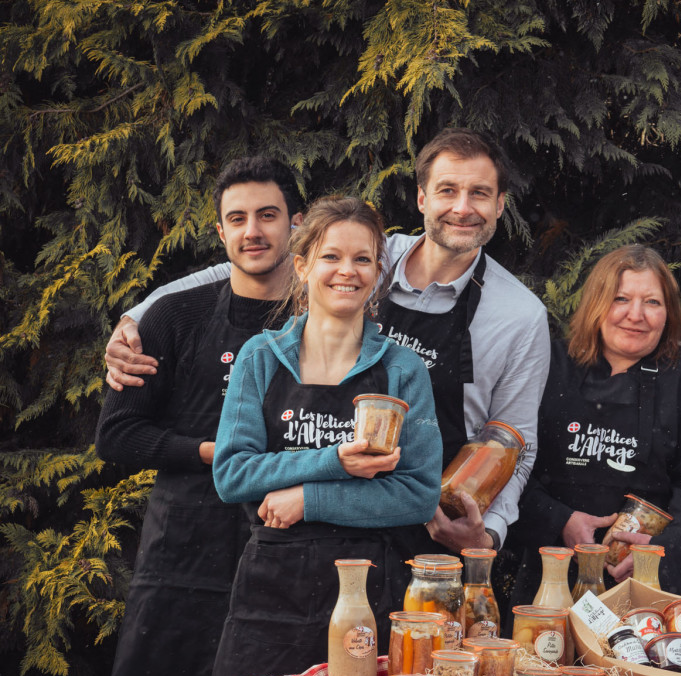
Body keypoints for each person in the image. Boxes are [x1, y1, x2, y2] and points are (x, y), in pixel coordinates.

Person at [104, 128, 550, 557]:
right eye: (448, 190)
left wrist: (486, 533)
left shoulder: (518, 314)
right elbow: (248, 266)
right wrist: (137, 316)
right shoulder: (372, 253)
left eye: (480, 193)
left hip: (428, 521)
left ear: (500, 204)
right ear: (421, 198)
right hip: (304, 517)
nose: (462, 208)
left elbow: (515, 441)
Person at [95, 156, 303, 676]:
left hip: (284, 551)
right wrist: (217, 455)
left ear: (296, 222)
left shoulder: (327, 321)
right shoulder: (172, 317)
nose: (253, 232)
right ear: (220, 233)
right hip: (182, 550)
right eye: (236, 219)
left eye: (268, 215)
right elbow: (118, 435)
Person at [209, 195, 441, 676]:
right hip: (270, 592)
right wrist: (334, 460)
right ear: (301, 265)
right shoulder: (261, 357)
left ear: (378, 274)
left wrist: (309, 499)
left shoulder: (402, 369)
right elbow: (232, 474)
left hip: (370, 589)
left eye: (363, 259)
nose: (347, 271)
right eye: (331, 257)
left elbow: (418, 495)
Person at [511, 244, 681, 597]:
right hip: (551, 571)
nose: (636, 315)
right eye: (621, 299)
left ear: (668, 314)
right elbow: (512, 462)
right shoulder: (551, 363)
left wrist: (659, 553)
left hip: (641, 580)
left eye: (652, 302)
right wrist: (559, 519)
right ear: (596, 303)